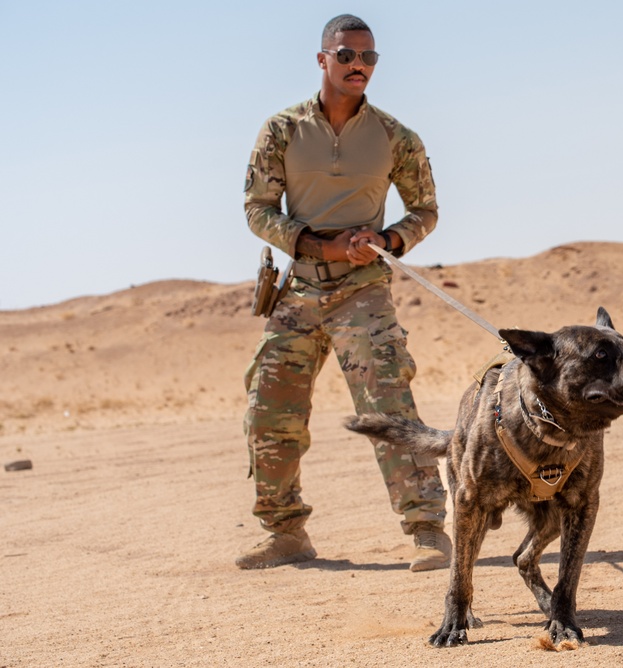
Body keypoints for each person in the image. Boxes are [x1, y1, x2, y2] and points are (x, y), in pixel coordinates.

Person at [236, 14, 451, 572]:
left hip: (364, 292)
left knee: (388, 406)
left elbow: (426, 210)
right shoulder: (282, 130)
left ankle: (428, 530)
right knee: (269, 410)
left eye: (369, 57)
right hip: (299, 289)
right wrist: (316, 245)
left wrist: (387, 238)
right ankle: (285, 533)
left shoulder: (395, 136)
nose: (359, 66)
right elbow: (257, 210)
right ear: (323, 59)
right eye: (348, 55)